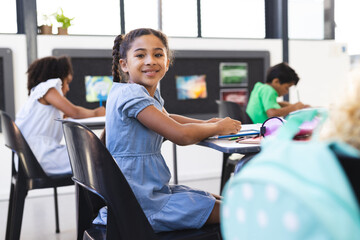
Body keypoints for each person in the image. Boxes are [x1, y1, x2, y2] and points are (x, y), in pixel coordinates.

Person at [93, 28, 241, 232]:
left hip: (144, 193)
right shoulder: (132, 96)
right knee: (238, 211)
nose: (150, 60)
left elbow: (167, 119)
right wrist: (216, 127)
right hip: (141, 204)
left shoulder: (138, 93)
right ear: (124, 65)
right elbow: (181, 135)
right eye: (140, 55)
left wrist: (208, 123)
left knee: (218, 200)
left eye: (158, 54)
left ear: (167, 63)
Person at [15, 56, 105, 175]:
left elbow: (68, 116)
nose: (67, 89)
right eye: (67, 82)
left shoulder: (37, 100)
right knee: (96, 158)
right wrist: (96, 113)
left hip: (31, 157)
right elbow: (75, 112)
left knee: (94, 155)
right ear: (57, 78)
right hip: (41, 157)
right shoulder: (47, 88)